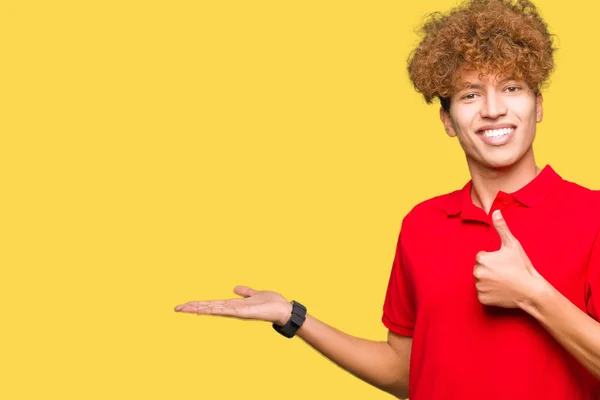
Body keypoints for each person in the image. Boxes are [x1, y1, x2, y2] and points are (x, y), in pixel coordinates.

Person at [175, 0, 600, 398]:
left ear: (538, 105)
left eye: (511, 88)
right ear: (448, 120)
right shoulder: (422, 225)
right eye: (470, 94)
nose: (492, 110)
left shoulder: (592, 215)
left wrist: (531, 294)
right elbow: (405, 372)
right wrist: (294, 317)